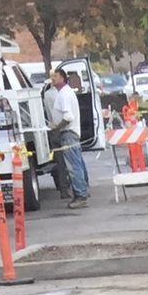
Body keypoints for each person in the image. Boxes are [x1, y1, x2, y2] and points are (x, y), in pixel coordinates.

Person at [45, 67, 89, 209]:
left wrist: (56, 127)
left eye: (56, 76)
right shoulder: (65, 93)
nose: (53, 79)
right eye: (52, 77)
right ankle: (80, 192)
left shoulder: (64, 95)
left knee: (73, 166)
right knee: (77, 163)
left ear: (63, 78)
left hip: (68, 133)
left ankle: (81, 195)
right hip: (71, 133)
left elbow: (68, 117)